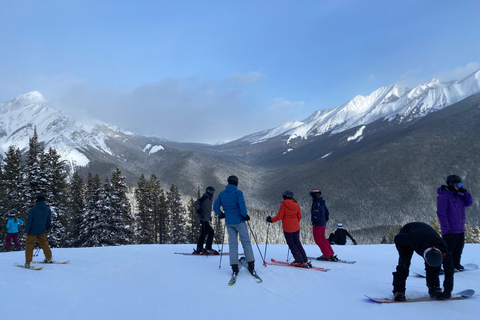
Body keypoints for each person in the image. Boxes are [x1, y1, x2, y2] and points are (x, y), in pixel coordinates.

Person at [392, 222, 454, 301]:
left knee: (433, 269)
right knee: (404, 265)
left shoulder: (444, 251)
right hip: (407, 233)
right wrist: (403, 252)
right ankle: (399, 291)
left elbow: (449, 271)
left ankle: (434, 288)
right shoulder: (413, 239)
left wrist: (447, 291)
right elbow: (397, 238)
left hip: (425, 236)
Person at [213, 175, 256, 276]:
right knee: (246, 242)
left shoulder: (222, 194)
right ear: (236, 183)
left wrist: (221, 214)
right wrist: (245, 216)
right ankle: (251, 264)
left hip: (229, 222)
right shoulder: (238, 193)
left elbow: (215, 207)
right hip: (240, 221)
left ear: (228, 182)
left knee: (233, 244)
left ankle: (234, 266)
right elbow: (242, 206)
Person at [436, 175, 473, 271]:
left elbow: (469, 203)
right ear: (452, 185)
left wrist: (465, 192)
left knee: (458, 250)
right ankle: (439, 266)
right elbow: (441, 214)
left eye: (461, 184)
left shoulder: (459, 196)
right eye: (458, 184)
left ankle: (456, 264)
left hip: (460, 228)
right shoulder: (443, 197)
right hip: (450, 230)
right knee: (447, 250)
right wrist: (446, 229)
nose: (460, 186)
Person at [267, 190, 310, 267]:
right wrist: (295, 223)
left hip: (287, 228)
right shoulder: (296, 205)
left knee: (291, 244)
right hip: (296, 227)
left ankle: (299, 261)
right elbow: (299, 216)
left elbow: (279, 217)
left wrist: (271, 220)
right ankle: (304, 259)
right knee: (297, 243)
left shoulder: (283, 205)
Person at [23, 194, 53, 268]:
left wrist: (26, 231)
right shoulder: (47, 209)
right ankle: (48, 258)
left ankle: (28, 262)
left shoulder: (33, 210)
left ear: (36, 201)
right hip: (42, 230)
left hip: (32, 231)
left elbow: (29, 221)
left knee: (29, 244)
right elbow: (49, 221)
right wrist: (48, 229)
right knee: (44, 243)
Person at [309, 188, 337, 261]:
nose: (311, 197)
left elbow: (316, 214)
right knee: (323, 239)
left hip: (318, 225)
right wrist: (324, 221)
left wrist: (314, 222)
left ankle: (327, 255)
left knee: (318, 240)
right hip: (322, 224)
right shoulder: (322, 202)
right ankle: (330, 253)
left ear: (314, 196)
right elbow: (327, 213)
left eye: (311, 195)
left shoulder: (316, 203)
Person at [193, 186, 218, 255]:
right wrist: (199, 210)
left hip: (205, 218)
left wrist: (208, 216)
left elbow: (206, 209)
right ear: (208, 191)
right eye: (212, 192)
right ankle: (208, 248)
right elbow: (196, 203)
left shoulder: (209, 199)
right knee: (211, 232)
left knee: (204, 233)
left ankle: (200, 247)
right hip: (203, 218)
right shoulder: (205, 197)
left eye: (213, 192)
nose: (213, 193)